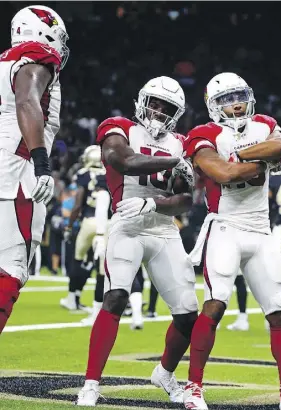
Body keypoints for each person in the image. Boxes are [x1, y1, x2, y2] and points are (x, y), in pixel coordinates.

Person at [76, 76, 198, 406]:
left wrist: (154, 202)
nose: (158, 111)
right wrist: (175, 162)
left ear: (176, 113)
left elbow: (187, 200)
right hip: (127, 227)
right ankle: (90, 383)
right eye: (155, 103)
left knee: (188, 314)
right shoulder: (118, 127)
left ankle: (165, 373)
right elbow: (121, 160)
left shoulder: (181, 142)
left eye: (167, 107)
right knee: (115, 297)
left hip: (163, 230)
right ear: (142, 101)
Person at [183, 72, 281, 410]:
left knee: (280, 311)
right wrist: (256, 162)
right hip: (225, 228)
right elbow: (223, 174)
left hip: (261, 230)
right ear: (213, 106)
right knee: (214, 306)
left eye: (240, 96)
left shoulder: (264, 123)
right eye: (227, 99)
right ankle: (193, 388)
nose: (237, 104)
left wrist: (240, 155)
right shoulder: (202, 133)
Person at [0, 5, 69, 334]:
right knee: (11, 271)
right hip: (15, 174)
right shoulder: (37, 58)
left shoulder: (4, 62)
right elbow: (27, 101)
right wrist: (42, 165)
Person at [61, 145, 110, 311]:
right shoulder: (109, 174)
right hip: (106, 223)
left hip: (88, 222)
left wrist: (69, 225)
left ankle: (72, 297)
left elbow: (77, 205)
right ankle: (98, 306)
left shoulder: (83, 174)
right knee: (101, 267)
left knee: (77, 259)